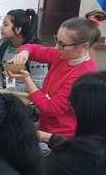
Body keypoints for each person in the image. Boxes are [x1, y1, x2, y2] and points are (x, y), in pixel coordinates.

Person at [6, 10, 105, 138]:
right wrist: (24, 53)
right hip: (45, 126)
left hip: (62, 137)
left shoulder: (83, 75)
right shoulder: (62, 54)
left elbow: (51, 108)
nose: (57, 47)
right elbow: (34, 49)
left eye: (62, 44)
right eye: (57, 40)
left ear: (83, 47)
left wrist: (27, 79)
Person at [0, 9, 48, 92]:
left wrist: (10, 91)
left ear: (18, 29)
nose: (1, 27)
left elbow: (39, 84)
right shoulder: (3, 47)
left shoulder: (37, 52)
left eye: (5, 25)